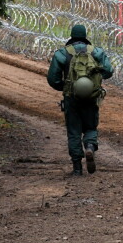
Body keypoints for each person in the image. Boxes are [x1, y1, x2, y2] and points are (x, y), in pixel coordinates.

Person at [47, 24, 113, 176]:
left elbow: (53, 79)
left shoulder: (62, 53)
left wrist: (65, 87)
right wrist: (94, 81)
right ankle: (90, 146)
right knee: (90, 127)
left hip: (72, 98)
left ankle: (77, 168)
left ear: (72, 36)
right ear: (85, 36)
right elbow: (108, 71)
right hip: (91, 96)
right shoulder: (95, 52)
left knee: (74, 131)